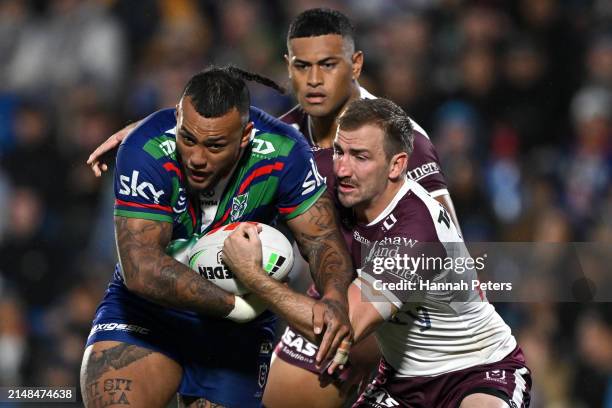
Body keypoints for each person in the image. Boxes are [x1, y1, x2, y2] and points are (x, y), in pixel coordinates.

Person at [84, 8, 462, 407]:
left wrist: (355, 309)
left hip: (395, 310)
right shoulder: (292, 132)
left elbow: (440, 239)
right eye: (302, 66)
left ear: (356, 65)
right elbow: (226, 128)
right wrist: (148, 132)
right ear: (288, 66)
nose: (314, 80)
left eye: (328, 65)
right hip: (197, 303)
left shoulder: (402, 143)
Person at [222, 98, 532, 408]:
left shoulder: (416, 232)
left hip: (478, 371)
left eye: (360, 157)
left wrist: (254, 276)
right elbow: (258, 153)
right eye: (340, 151)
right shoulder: (334, 173)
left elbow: (344, 327)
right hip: (403, 383)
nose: (343, 168)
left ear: (396, 165)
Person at [80, 66, 354, 408]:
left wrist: (335, 298)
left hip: (237, 332)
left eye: (214, 146)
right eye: (188, 139)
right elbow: (141, 268)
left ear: (245, 136)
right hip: (150, 309)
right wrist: (239, 306)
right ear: (178, 118)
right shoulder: (146, 147)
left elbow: (322, 240)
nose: (196, 157)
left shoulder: (284, 153)